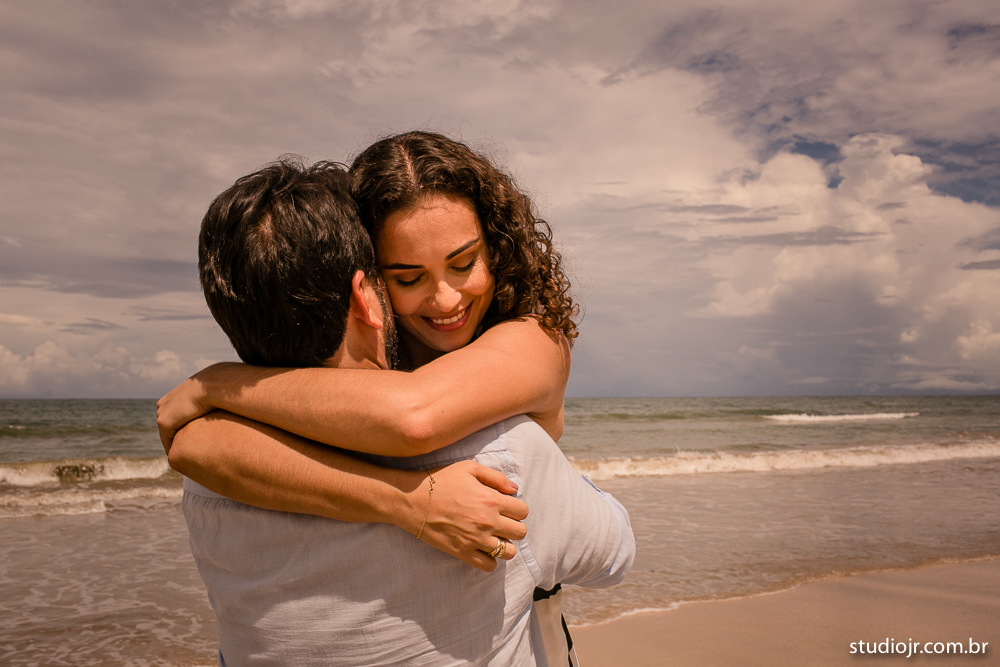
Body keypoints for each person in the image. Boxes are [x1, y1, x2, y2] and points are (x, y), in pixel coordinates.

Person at [176, 157, 634, 665]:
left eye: (463, 263)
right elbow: (613, 552)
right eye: (406, 276)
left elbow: (193, 445)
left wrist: (218, 384)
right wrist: (407, 503)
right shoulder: (501, 456)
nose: (445, 299)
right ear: (369, 293)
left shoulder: (215, 475)